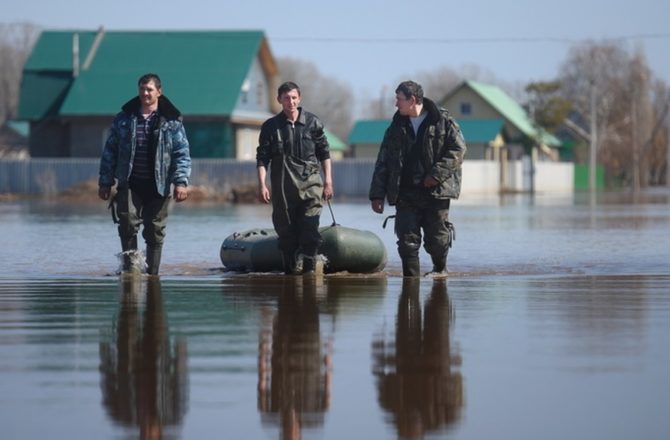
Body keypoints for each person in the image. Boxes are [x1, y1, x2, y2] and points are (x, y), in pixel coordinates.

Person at [369, 80, 466, 277]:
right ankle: (410, 285)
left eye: (399, 99)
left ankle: (440, 271)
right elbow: (383, 160)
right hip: (405, 192)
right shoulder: (396, 126)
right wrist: (377, 195)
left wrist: (436, 175)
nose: (396, 104)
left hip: (435, 192)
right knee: (407, 242)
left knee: (436, 240)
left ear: (412, 100)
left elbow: (459, 149)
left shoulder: (442, 120)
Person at [98, 73, 192, 275]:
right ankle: (131, 272)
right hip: (131, 182)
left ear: (159, 91)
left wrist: (181, 182)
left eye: (149, 89)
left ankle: (152, 275)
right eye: (142, 89)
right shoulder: (124, 119)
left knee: (155, 230)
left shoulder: (171, 121)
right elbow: (110, 150)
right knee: (127, 223)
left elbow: (181, 153)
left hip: (159, 184)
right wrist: (105, 181)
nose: (145, 93)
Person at [256, 81, 333, 275]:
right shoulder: (271, 127)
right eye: (286, 98)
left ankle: (309, 271)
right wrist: (262, 184)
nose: (290, 102)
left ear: (299, 99)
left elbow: (324, 153)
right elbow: (262, 158)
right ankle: (289, 273)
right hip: (283, 189)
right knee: (286, 232)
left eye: (293, 98)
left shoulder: (313, 123)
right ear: (279, 100)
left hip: (311, 186)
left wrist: (328, 182)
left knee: (310, 227)